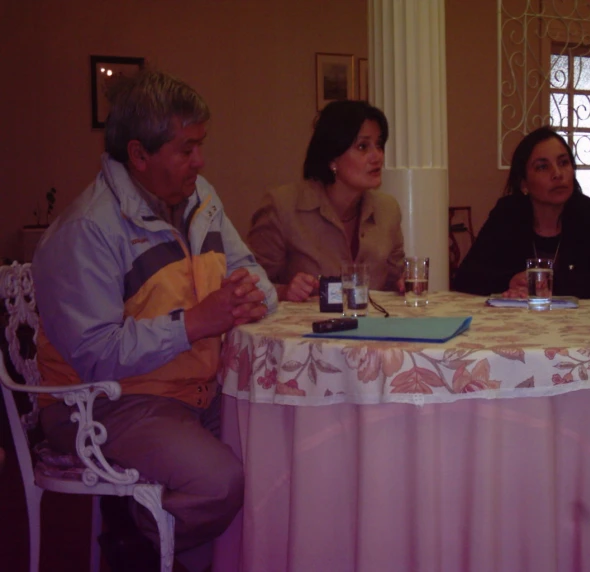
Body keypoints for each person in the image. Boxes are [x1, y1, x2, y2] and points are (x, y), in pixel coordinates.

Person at [32, 69, 277, 571]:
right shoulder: (87, 229)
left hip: (192, 388)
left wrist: (252, 296)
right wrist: (193, 324)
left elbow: (249, 269)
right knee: (219, 482)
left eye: (200, 145)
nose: (200, 161)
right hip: (102, 401)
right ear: (139, 155)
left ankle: (177, 548)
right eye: (186, 149)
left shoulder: (201, 197)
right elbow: (96, 354)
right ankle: (141, 540)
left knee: (279, 457)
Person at [247, 100, 405, 302]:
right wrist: (284, 291)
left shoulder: (388, 210)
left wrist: (403, 285)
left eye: (379, 145)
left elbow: (393, 287)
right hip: (304, 331)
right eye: (363, 146)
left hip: (371, 330)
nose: (378, 157)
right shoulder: (282, 206)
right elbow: (250, 287)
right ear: (332, 158)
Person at [454, 126, 590, 299]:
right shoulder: (507, 214)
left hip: (580, 323)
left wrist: (544, 286)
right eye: (542, 167)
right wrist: (510, 281)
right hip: (519, 323)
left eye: (563, 163)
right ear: (524, 184)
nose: (557, 174)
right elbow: (465, 279)